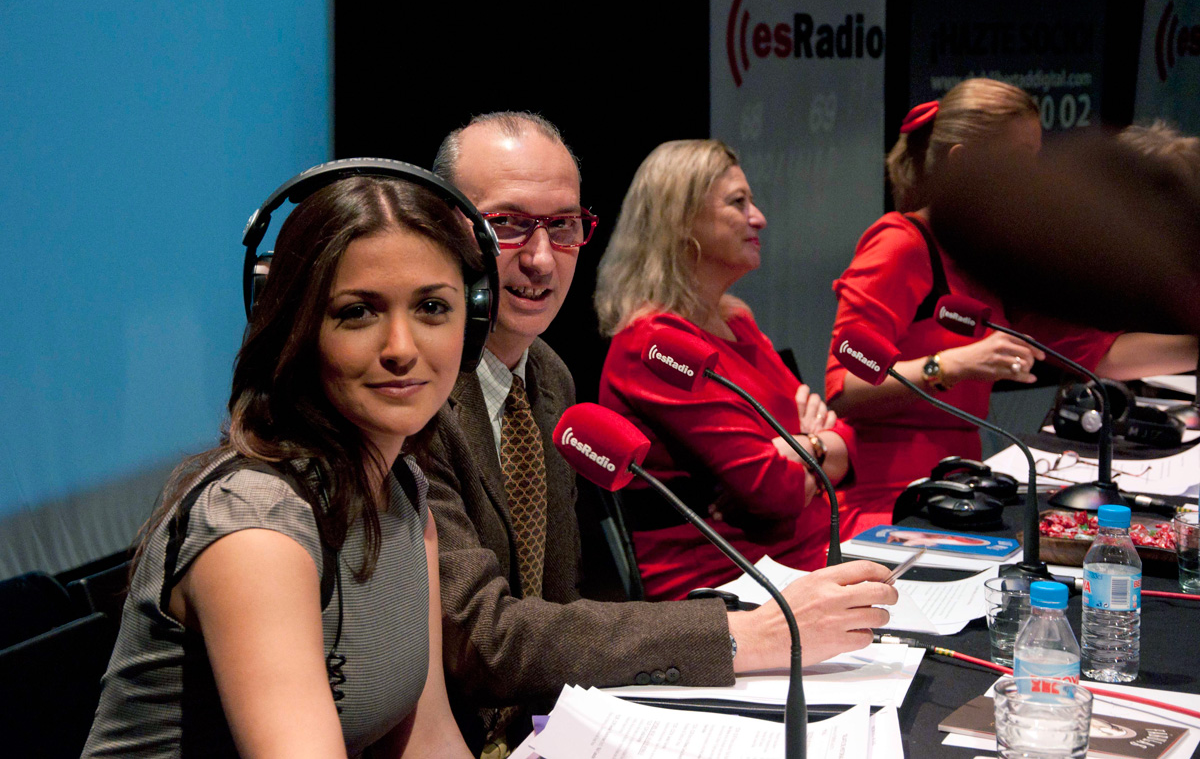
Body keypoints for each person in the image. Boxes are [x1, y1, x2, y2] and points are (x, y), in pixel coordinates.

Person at [415, 112, 898, 753]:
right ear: (448, 228)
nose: (540, 258)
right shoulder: (413, 390)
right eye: (507, 224)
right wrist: (742, 637)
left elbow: (558, 602)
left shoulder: (550, 377)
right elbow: (482, 638)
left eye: (562, 226)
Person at [84, 175, 475, 757]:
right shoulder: (254, 528)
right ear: (295, 326)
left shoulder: (405, 493)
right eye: (358, 312)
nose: (401, 347)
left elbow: (428, 740)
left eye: (432, 307)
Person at [826, 77, 1199, 535]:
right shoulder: (900, 246)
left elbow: (1099, 354)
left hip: (963, 488)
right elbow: (845, 389)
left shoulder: (992, 259)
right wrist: (953, 364)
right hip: (891, 502)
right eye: (1021, 159)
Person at [593, 138, 856, 601]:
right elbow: (771, 490)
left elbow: (847, 440)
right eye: (738, 203)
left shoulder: (738, 321)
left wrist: (802, 446)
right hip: (723, 582)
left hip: (805, 553)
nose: (759, 218)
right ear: (680, 219)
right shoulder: (652, 345)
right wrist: (815, 444)